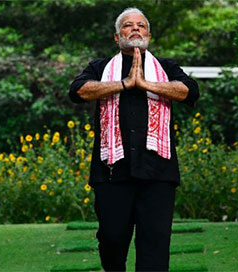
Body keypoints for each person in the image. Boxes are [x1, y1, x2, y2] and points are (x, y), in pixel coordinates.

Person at [69, 7, 199, 272]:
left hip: (157, 172)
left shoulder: (165, 67)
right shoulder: (101, 67)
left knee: (155, 245)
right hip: (112, 171)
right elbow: (78, 90)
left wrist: (146, 84)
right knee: (111, 239)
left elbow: (189, 91)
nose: (135, 29)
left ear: (149, 34)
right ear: (117, 37)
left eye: (141, 25)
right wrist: (126, 83)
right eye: (128, 25)